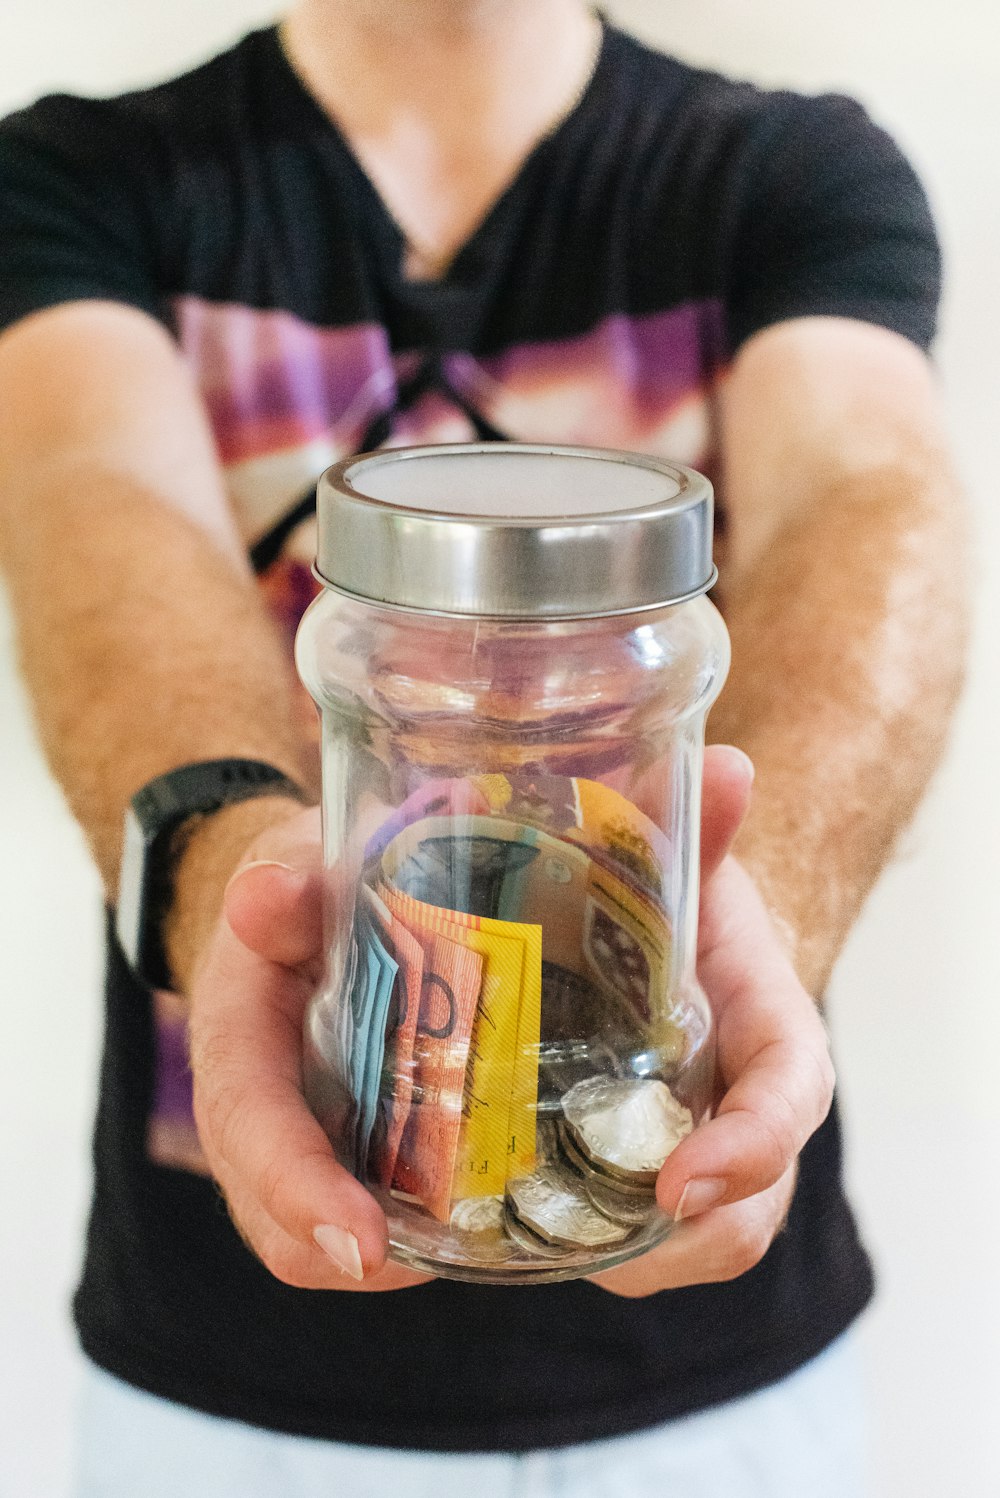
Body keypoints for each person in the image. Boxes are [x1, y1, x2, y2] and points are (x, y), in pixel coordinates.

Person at [0, 0, 968, 1492]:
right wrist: (239, 881)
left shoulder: (788, 173)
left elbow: (866, 496)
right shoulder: (78, 177)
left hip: (724, 1375)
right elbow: (97, 505)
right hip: (228, 1376)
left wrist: (726, 924)